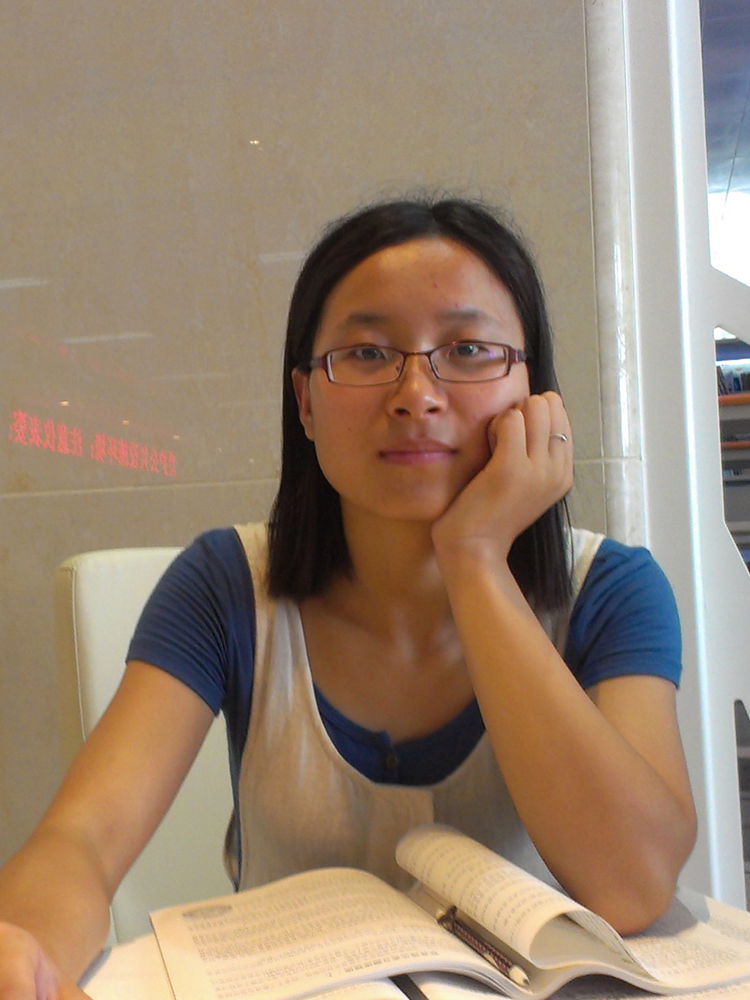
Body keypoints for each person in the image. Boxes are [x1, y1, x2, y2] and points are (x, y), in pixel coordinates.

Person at [0, 196, 696, 999]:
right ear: (305, 402)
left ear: (534, 394)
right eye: (367, 353)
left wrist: (474, 558)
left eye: (469, 350)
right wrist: (26, 952)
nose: (416, 394)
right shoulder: (224, 585)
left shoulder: (610, 589)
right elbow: (82, 841)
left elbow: (633, 886)